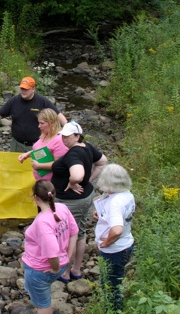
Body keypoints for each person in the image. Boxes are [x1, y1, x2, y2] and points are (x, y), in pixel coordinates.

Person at [50, 121, 108, 282]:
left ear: (77, 136)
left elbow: (76, 174)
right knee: (79, 232)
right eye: (63, 136)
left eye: (68, 137)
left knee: (69, 235)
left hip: (71, 202)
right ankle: (76, 269)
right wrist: (88, 181)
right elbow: (102, 161)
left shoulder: (73, 154)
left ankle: (65, 272)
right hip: (84, 198)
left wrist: (74, 182)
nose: (64, 139)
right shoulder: (87, 147)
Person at [19, 180, 78, 314]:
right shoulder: (62, 208)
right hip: (61, 263)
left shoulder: (42, 222)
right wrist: (68, 257)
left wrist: (55, 268)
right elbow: (74, 233)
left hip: (40, 269)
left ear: (36, 198)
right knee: (42, 295)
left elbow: (52, 253)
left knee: (43, 305)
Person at [0, 76, 67, 152]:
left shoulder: (42, 101)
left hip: (37, 145)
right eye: (22, 88)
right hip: (17, 144)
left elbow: (58, 115)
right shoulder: (14, 101)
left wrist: (68, 130)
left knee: (35, 170)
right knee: (14, 170)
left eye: (26, 89)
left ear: (33, 89)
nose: (23, 91)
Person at [94, 164, 135, 311]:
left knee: (110, 287)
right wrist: (103, 216)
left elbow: (117, 230)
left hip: (114, 251)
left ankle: (112, 310)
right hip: (127, 243)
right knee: (117, 280)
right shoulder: (127, 194)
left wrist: (106, 242)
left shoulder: (115, 203)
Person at [18, 108, 68, 181]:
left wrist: (39, 166)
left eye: (42, 123)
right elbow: (44, 151)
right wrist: (29, 154)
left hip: (51, 184)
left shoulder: (59, 140)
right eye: (39, 123)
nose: (39, 126)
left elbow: (59, 165)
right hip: (40, 181)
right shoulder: (45, 134)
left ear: (52, 123)